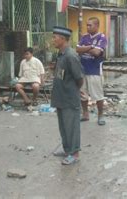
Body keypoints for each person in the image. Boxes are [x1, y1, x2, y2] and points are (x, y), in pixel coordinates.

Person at [50, 26, 84, 165]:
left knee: (71, 126)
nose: (53, 40)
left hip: (69, 97)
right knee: (63, 126)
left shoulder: (71, 56)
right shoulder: (61, 54)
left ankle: (74, 153)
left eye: (54, 37)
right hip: (60, 96)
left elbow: (79, 78)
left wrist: (74, 91)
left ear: (63, 39)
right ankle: (67, 149)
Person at [76, 17, 107, 126]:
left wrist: (85, 48)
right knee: (83, 94)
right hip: (83, 69)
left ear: (96, 25)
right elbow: (77, 49)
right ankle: (85, 114)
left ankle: (100, 115)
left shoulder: (102, 37)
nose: (87, 27)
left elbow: (97, 53)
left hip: (95, 70)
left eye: (90, 25)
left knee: (98, 95)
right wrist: (91, 47)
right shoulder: (84, 37)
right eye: (87, 25)